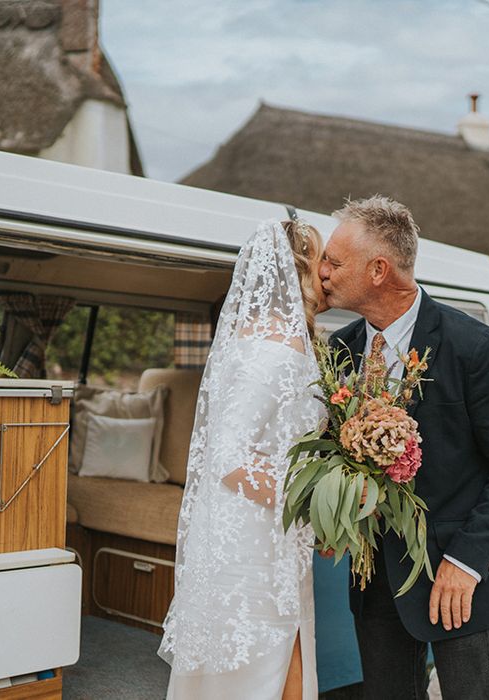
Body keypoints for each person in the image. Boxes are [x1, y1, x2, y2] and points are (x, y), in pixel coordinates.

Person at [320, 195, 489, 700]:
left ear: (378, 269)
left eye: (334, 261)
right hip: (374, 580)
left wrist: (466, 563)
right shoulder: (340, 351)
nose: (323, 271)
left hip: (459, 583)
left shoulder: (473, 346)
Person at [159, 218, 327, 700]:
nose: (328, 271)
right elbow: (230, 457)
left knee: (283, 653)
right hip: (257, 538)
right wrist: (311, 502)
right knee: (271, 659)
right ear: (297, 269)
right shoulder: (279, 347)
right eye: (321, 261)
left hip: (263, 530)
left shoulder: (254, 337)